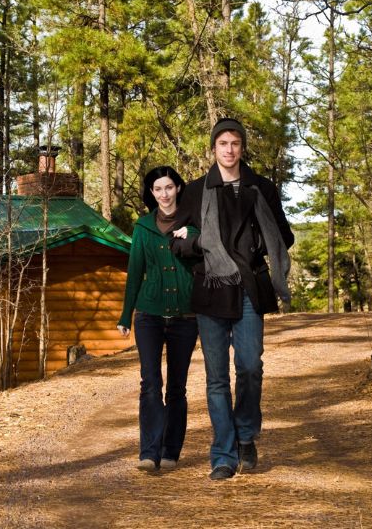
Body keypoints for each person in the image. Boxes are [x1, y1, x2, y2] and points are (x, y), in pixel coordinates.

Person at [173, 118, 294, 480]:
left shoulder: (261, 187)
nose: (229, 150)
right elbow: (177, 243)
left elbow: (283, 236)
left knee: (250, 366)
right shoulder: (195, 192)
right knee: (216, 378)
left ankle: (245, 436)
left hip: (248, 289)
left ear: (242, 148)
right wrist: (199, 243)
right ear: (214, 148)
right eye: (223, 143)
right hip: (211, 291)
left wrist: (258, 245)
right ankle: (223, 455)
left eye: (235, 143)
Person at [117, 166, 200, 472]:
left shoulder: (193, 222)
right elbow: (135, 271)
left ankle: (171, 451)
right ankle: (149, 452)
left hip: (185, 316)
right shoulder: (143, 227)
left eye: (169, 187)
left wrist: (191, 235)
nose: (164, 194)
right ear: (151, 193)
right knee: (150, 383)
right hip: (149, 315)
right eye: (158, 189)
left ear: (178, 187)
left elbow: (207, 252)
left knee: (176, 388)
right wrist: (126, 315)